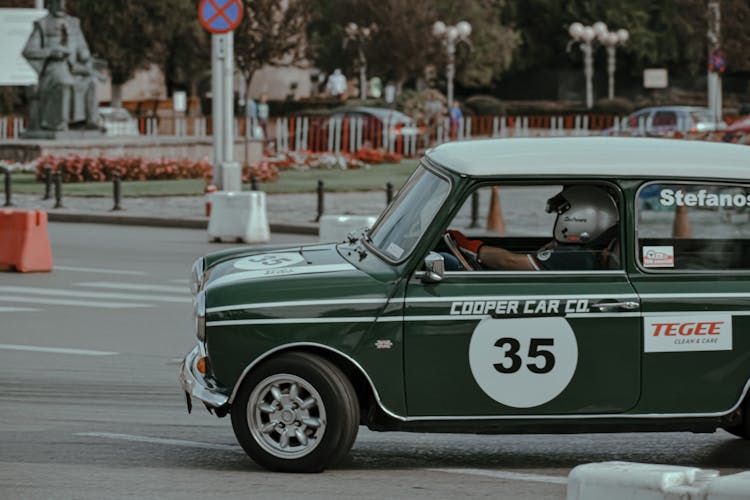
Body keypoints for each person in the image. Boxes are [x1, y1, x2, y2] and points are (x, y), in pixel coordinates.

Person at [447, 185, 619, 271]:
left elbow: (509, 261)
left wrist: (470, 247)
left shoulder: (575, 257)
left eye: (563, 214)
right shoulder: (588, 252)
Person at [22, 0, 100, 132]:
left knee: (91, 81)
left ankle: (90, 121)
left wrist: (85, 54)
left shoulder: (74, 23)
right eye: (57, 3)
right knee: (64, 83)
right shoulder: (42, 24)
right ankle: (58, 123)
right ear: (50, 4)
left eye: (63, 3)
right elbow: (29, 51)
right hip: (54, 68)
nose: (61, 7)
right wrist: (51, 52)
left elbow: (81, 45)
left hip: (74, 68)